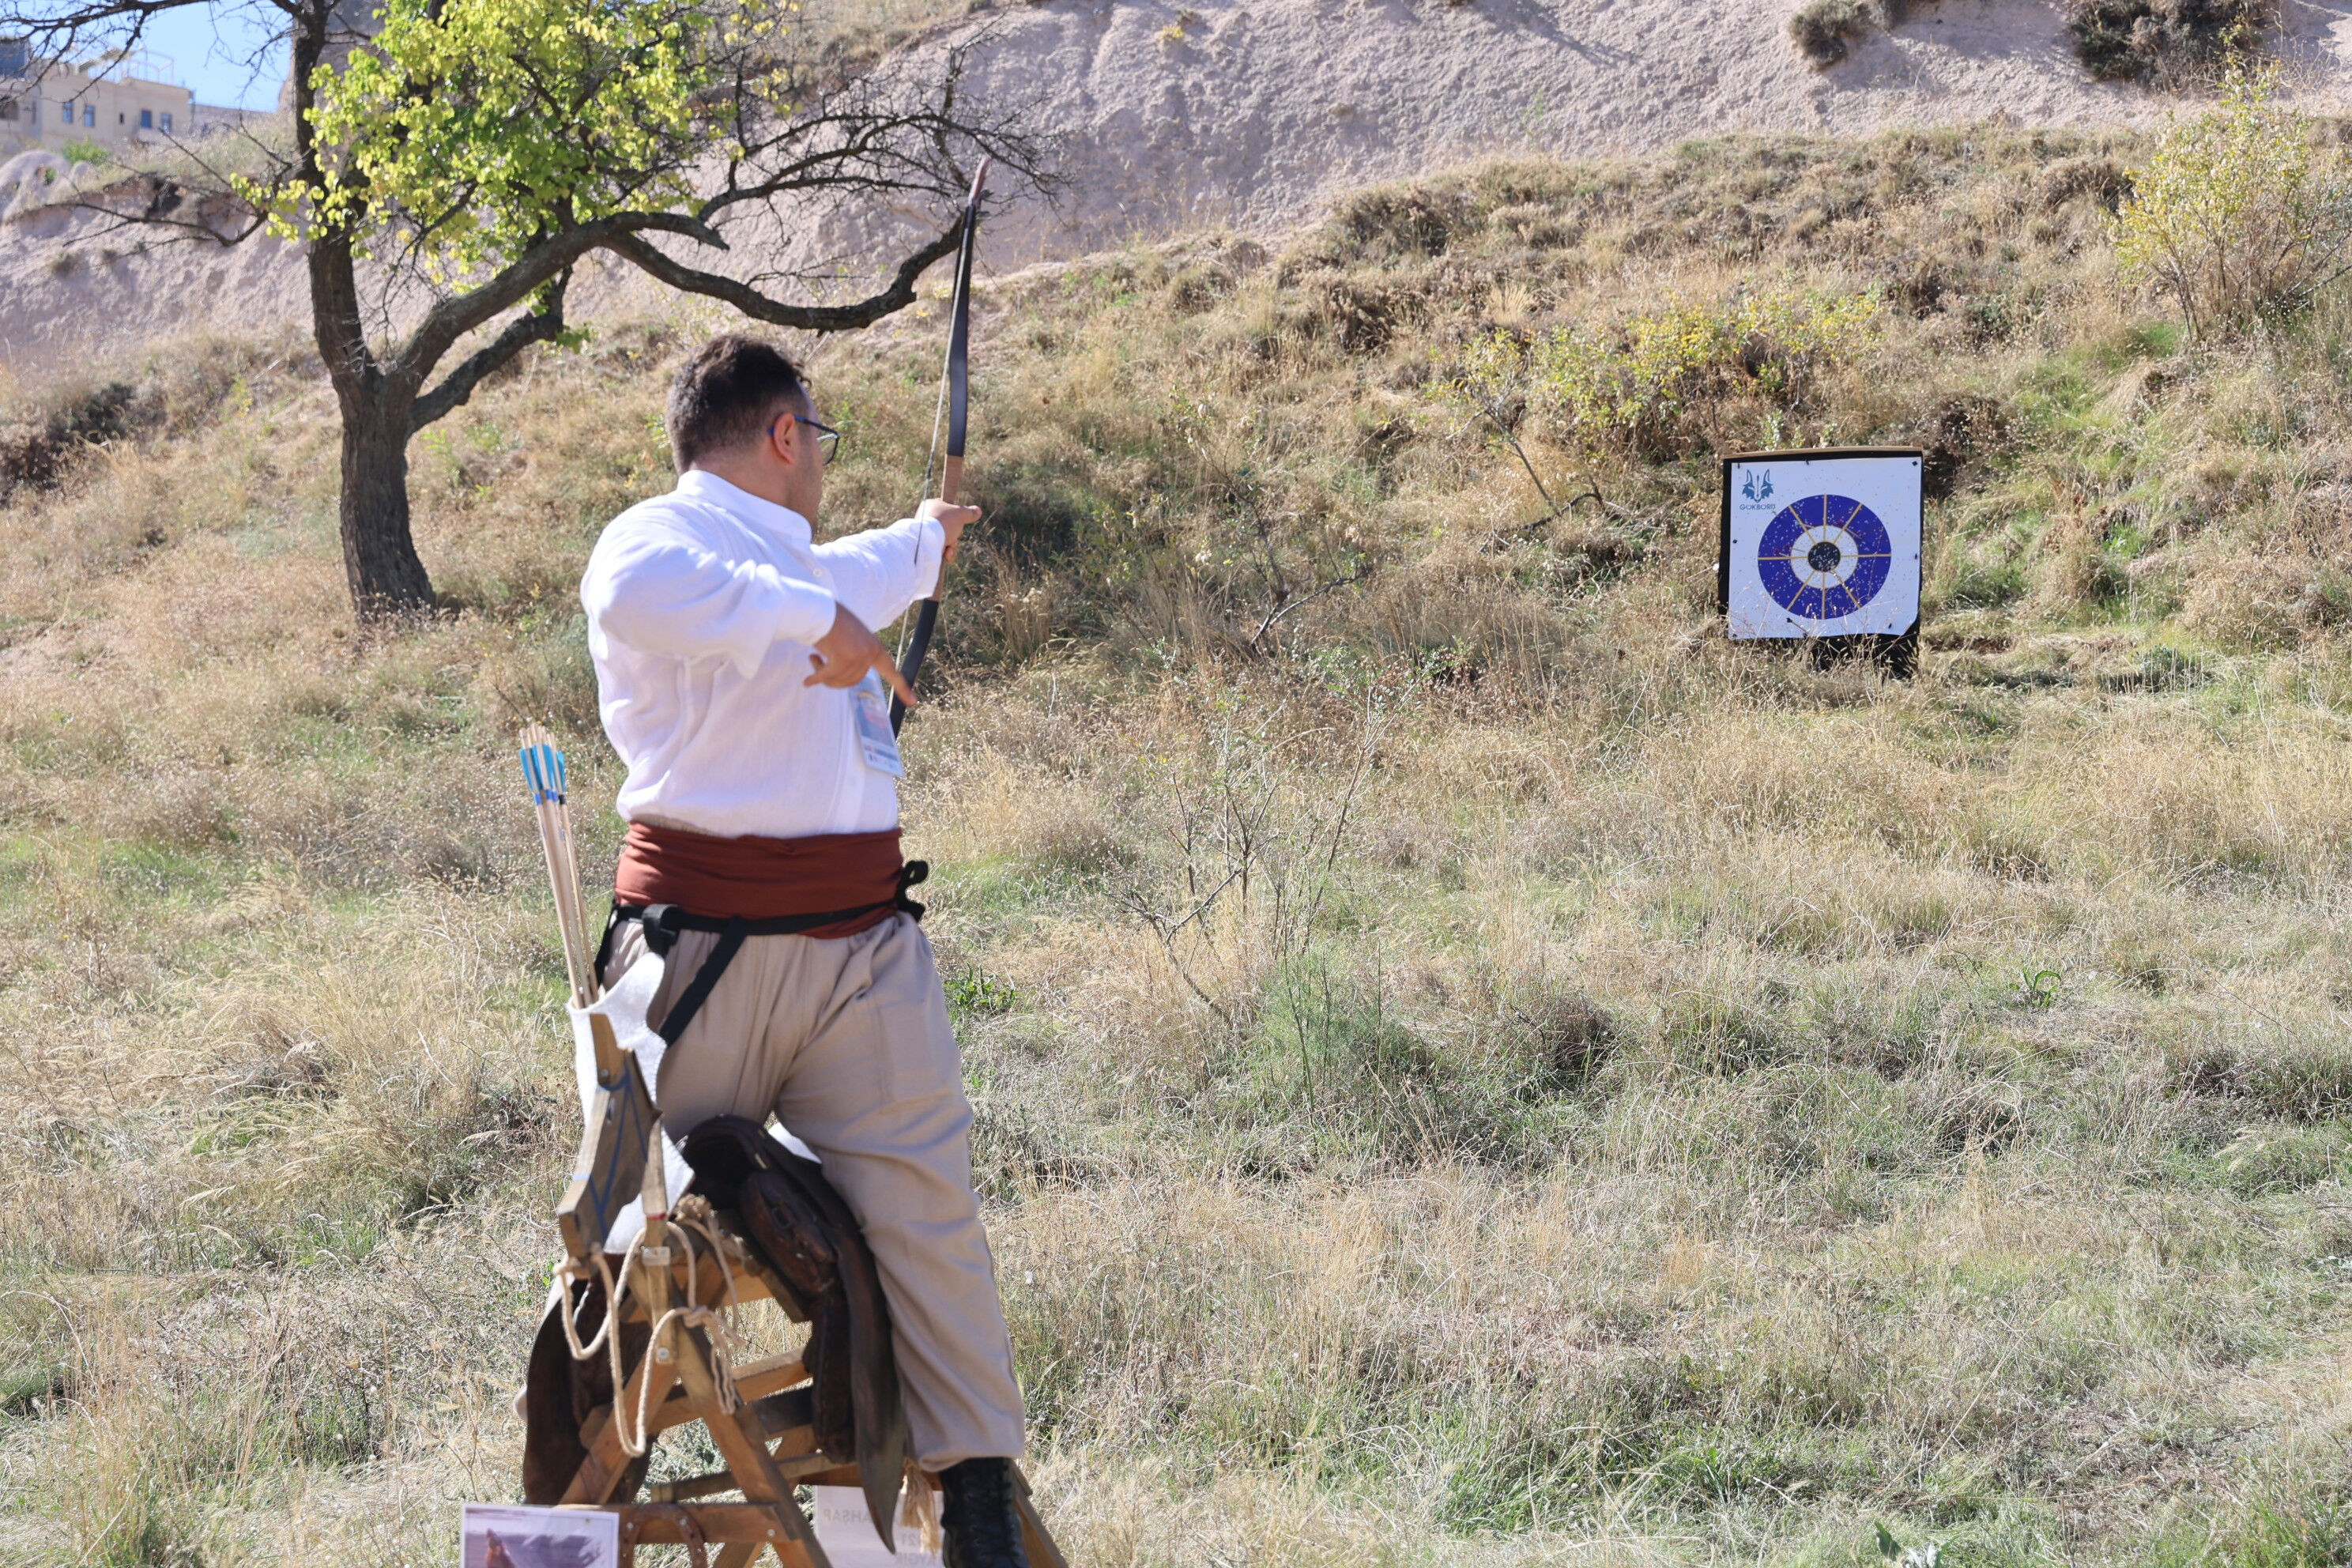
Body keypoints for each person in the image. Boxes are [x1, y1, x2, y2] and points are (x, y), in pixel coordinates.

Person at [580, 334, 1029, 1568]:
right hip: (699, 965)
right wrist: (821, 612)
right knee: (629, 1244)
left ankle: (979, 1500)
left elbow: (858, 568)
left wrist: (926, 540)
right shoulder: (653, 540)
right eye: (818, 440)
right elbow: (640, 600)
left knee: (927, 1214)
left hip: (857, 959)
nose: (823, 465)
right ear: (785, 436)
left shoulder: (798, 565)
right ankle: (587, 1491)